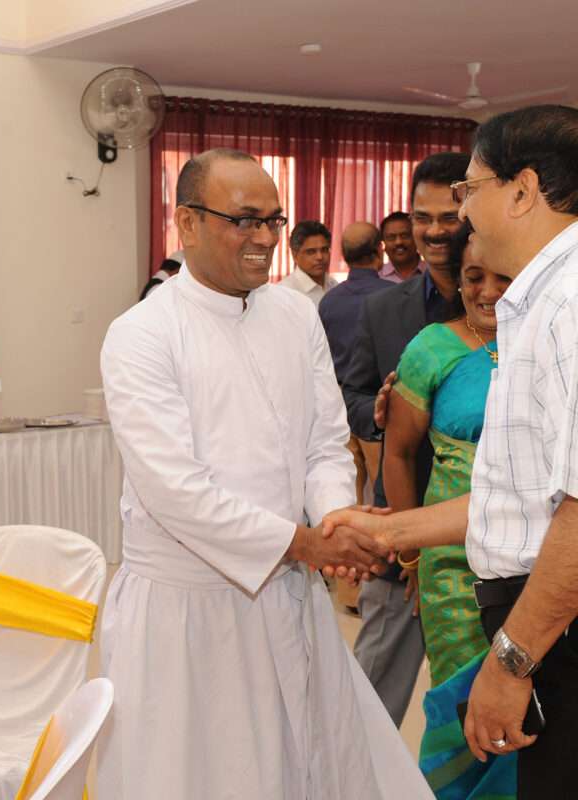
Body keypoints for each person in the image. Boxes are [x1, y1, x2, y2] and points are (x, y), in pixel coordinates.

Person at [97, 147, 434, 800]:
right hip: (189, 610)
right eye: (244, 220)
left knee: (309, 760)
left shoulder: (294, 313)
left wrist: (335, 517)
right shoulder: (141, 334)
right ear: (187, 222)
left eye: (273, 220)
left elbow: (324, 441)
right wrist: (308, 545)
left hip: (288, 588)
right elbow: (177, 494)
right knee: (207, 775)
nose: (264, 238)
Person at [324, 104, 578, 800]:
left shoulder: (567, 307)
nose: (463, 213)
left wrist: (512, 662)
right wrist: (388, 530)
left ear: (522, 191)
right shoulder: (540, 303)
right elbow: (523, 497)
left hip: (551, 624)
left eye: (471, 189)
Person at [382, 225, 515, 798]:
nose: (487, 291)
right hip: (452, 564)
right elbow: (398, 453)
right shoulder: (431, 348)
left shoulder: (550, 341)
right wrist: (410, 554)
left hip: (534, 558)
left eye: (503, 277)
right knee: (467, 704)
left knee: (535, 703)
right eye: (473, 277)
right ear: (456, 281)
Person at [341, 151, 469, 726]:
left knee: (471, 705)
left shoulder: (508, 302)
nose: (435, 231)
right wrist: (378, 412)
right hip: (399, 530)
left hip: (479, 545)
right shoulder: (382, 309)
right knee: (368, 703)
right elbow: (351, 392)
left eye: (449, 216)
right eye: (423, 218)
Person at [319, 221, 393, 503]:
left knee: (348, 494)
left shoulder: (329, 301)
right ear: (379, 251)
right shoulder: (393, 297)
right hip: (377, 406)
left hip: (338, 406)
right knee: (383, 493)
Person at [279, 219, 337, 307]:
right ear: (295, 255)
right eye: (311, 252)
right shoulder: (284, 293)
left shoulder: (334, 285)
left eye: (324, 250)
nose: (320, 257)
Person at [379, 211, 424, 282]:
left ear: (416, 238)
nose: (399, 242)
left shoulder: (434, 274)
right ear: (383, 242)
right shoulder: (378, 277)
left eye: (405, 236)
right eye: (391, 237)